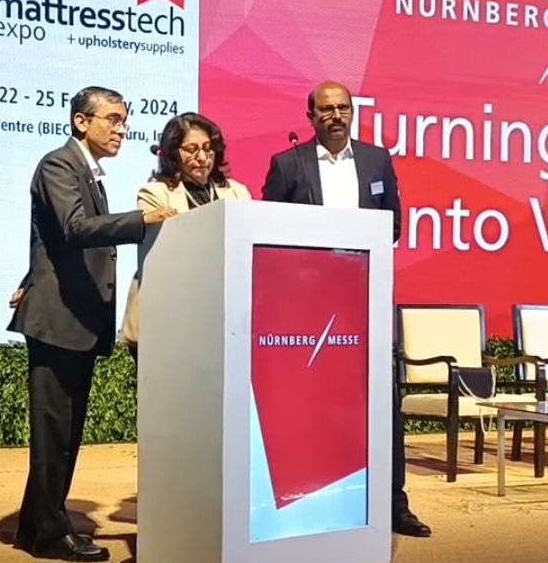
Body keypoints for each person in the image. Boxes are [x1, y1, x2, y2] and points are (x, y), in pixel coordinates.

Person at [7, 86, 176, 561]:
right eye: (113, 119)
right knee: (55, 435)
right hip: (57, 320)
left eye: (124, 120)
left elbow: (49, 243)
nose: (122, 129)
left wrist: (30, 276)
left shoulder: (88, 172)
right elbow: (74, 228)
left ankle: (35, 527)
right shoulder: (59, 165)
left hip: (73, 321)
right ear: (82, 122)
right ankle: (50, 535)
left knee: (63, 433)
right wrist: (142, 219)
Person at [262, 80, 431, 538]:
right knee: (310, 402)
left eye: (343, 108)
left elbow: (393, 224)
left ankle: (393, 503)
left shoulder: (377, 160)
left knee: (380, 401)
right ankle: (313, 502)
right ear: (310, 117)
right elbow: (268, 228)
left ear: (352, 112)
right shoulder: (288, 164)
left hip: (363, 297)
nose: (335, 116)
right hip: (307, 306)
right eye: (326, 109)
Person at [119, 112, 252, 358]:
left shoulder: (236, 192)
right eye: (191, 149)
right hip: (168, 312)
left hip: (221, 313)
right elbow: (165, 250)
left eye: (208, 149)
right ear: (173, 153)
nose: (202, 157)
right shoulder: (155, 193)